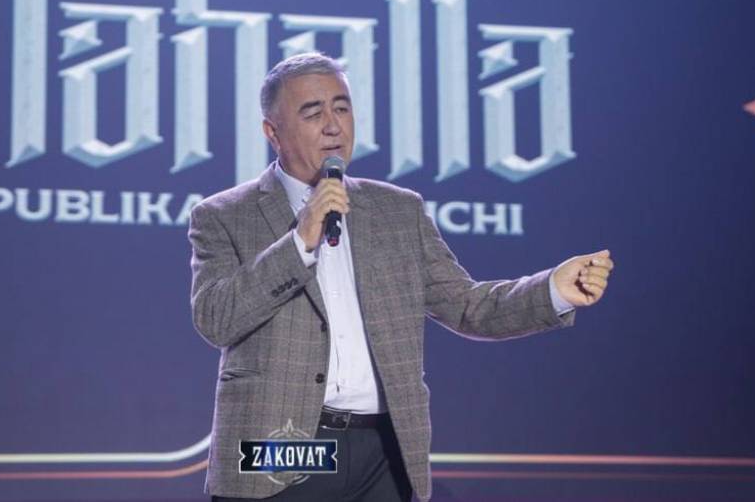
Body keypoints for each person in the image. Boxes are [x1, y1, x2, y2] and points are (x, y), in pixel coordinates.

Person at [189, 53, 615, 502]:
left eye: (342, 108)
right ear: (272, 132)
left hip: (383, 452)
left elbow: (467, 306)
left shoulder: (397, 210)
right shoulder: (224, 215)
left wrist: (552, 291)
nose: (333, 125)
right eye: (313, 113)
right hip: (283, 446)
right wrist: (300, 241)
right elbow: (216, 319)